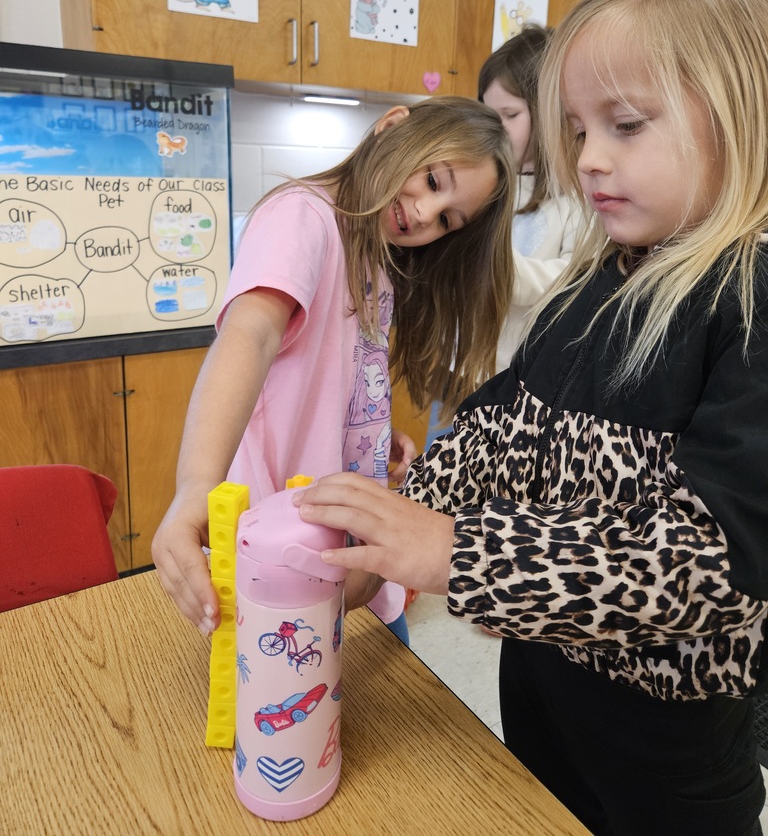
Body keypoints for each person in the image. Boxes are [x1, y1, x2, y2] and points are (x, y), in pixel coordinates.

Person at [292, 0, 768, 836]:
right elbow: (499, 425)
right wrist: (395, 533)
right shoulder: (598, 281)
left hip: (667, 758)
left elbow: (718, 563)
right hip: (542, 695)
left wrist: (461, 554)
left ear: (744, 116)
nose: (587, 159)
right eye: (578, 131)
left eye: (625, 124)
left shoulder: (750, 297)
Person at [152, 95, 516, 647]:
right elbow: (251, 334)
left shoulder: (375, 253)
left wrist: (370, 436)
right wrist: (197, 486)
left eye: (447, 219)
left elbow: (329, 377)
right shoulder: (303, 215)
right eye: (431, 180)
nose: (424, 214)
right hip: (282, 556)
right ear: (392, 126)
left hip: (346, 558)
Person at [479, 24, 582, 371]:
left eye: (509, 115)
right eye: (488, 115)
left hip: (522, 376)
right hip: (463, 368)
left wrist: (497, 269)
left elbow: (572, 280)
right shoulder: (486, 183)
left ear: (549, 113)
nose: (494, 129)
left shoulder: (578, 196)